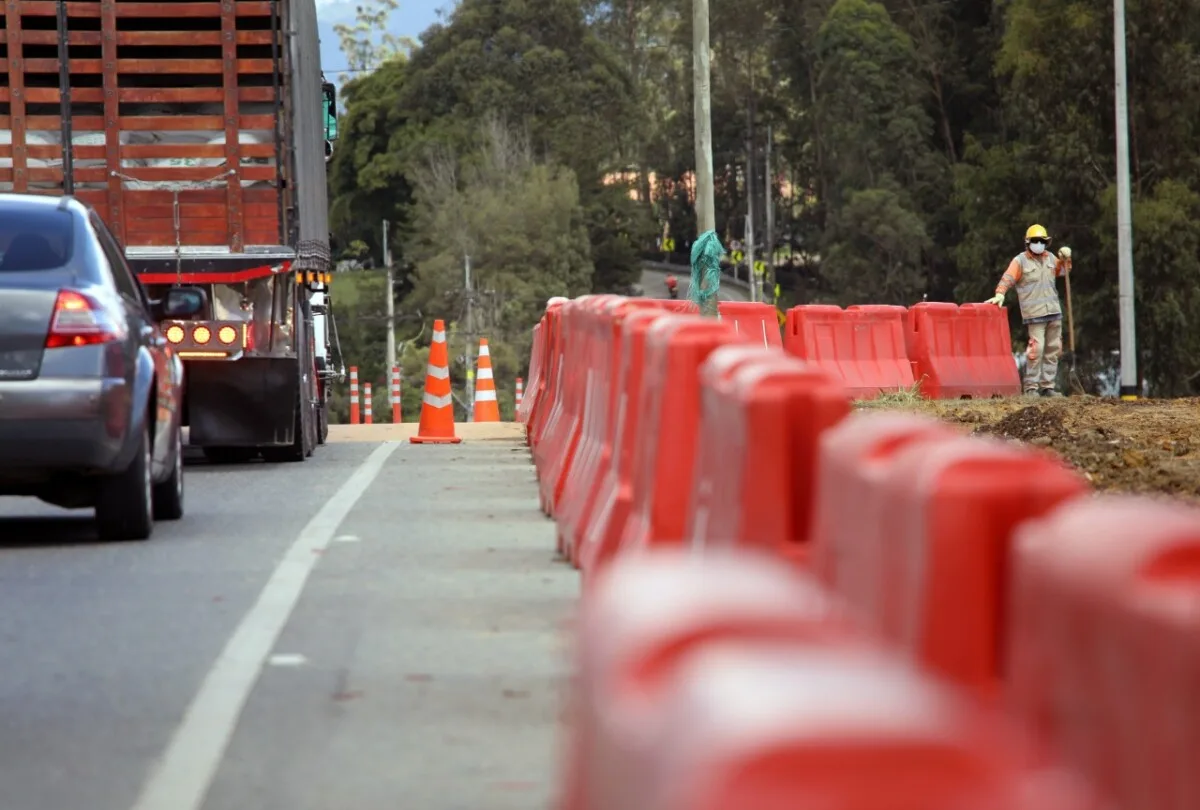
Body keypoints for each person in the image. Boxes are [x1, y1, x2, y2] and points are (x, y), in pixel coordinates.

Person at [986, 224, 1072, 397]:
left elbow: (1064, 272)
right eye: (1035, 241)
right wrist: (1000, 293)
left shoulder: (1050, 258)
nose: (1038, 243)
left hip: (1053, 312)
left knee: (1053, 349)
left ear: (1046, 243)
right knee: (1037, 350)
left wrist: (1066, 259)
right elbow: (1008, 278)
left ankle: (1048, 387)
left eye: (1042, 241)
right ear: (1028, 242)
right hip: (1034, 314)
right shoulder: (1020, 261)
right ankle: (1031, 387)